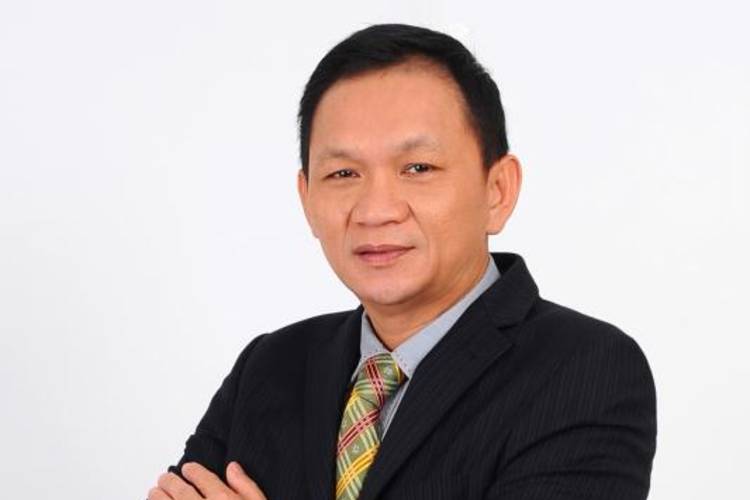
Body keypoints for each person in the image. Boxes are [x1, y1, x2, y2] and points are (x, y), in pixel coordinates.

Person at [147, 23, 657, 500]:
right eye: (343, 174)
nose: (376, 210)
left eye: (417, 167)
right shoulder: (270, 365)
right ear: (306, 199)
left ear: (498, 190)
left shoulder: (586, 369)